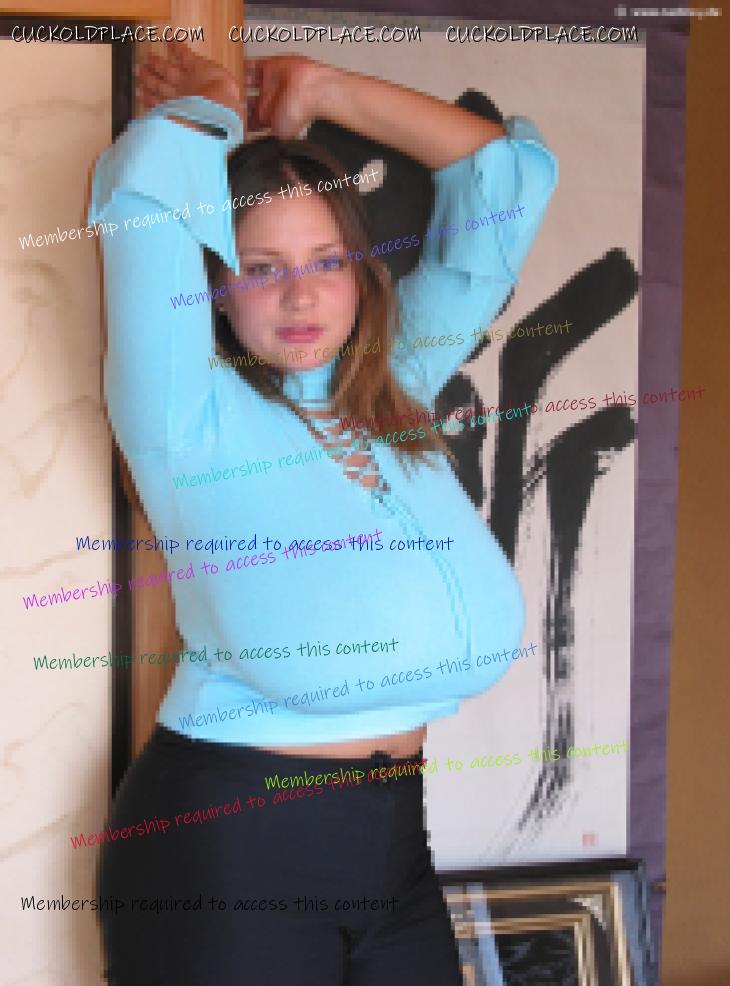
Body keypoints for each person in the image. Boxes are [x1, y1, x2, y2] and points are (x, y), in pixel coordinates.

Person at [92, 44, 557, 985]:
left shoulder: (396, 386)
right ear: (215, 287)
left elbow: (506, 180)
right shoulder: (185, 416)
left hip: (392, 844)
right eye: (260, 266)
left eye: (328, 261)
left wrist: (321, 90)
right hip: (227, 854)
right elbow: (145, 204)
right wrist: (211, 111)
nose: (300, 294)